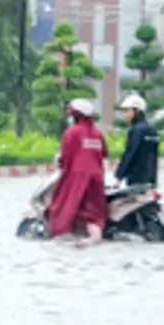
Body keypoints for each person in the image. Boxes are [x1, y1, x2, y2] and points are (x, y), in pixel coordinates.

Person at [46, 98, 108, 241]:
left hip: (76, 177)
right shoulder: (98, 133)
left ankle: (66, 236)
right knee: (95, 215)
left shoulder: (71, 132)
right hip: (97, 178)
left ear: (76, 115)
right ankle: (96, 239)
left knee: (64, 208)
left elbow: (65, 156)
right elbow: (104, 152)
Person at [115, 94, 159, 187]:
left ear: (137, 111)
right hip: (151, 180)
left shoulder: (136, 130)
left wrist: (119, 177)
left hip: (136, 180)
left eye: (127, 111)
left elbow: (130, 154)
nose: (125, 115)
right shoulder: (152, 130)